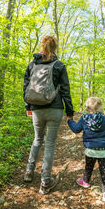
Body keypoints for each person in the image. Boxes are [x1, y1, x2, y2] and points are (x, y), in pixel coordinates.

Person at [23, 35, 74, 194]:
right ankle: (45, 181)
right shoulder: (59, 65)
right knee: (50, 144)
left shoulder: (32, 64)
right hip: (55, 109)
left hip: (37, 108)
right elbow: (65, 90)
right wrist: (70, 112)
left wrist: (28, 106)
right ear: (55, 47)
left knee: (37, 139)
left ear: (42, 46)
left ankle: (29, 172)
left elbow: (26, 86)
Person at [67, 97, 105, 203]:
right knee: (104, 171)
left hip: (90, 149)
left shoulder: (84, 118)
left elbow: (76, 129)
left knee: (89, 166)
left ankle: (85, 181)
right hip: (102, 150)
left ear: (87, 107)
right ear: (100, 106)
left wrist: (70, 121)